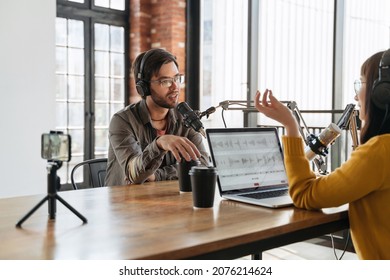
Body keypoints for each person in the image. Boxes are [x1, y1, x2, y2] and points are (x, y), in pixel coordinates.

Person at [254, 49, 390, 260]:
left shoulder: (379, 151)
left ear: (383, 93)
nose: (355, 95)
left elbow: (304, 194)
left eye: (361, 84)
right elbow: (341, 184)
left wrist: (290, 125)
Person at [105, 48, 209, 186]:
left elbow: (202, 164)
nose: (175, 87)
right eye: (165, 81)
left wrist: (158, 175)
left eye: (177, 78)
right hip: (125, 202)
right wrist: (159, 144)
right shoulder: (122, 121)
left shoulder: (185, 119)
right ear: (144, 87)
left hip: (166, 200)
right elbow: (134, 174)